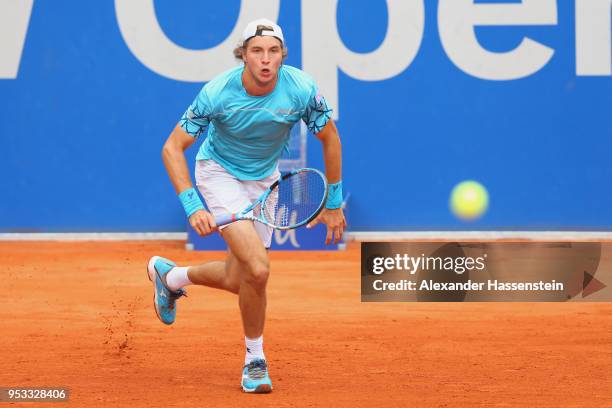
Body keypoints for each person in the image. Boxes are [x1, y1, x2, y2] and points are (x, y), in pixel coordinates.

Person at [147, 18, 345, 394]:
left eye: (273, 51)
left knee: (241, 279)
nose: (266, 60)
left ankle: (171, 278)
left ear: (282, 56)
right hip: (218, 173)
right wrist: (193, 205)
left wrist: (333, 202)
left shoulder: (301, 89)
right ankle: (255, 361)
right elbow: (172, 148)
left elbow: (330, 138)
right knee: (258, 268)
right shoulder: (218, 93)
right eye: (257, 51)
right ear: (244, 56)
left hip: (264, 182)